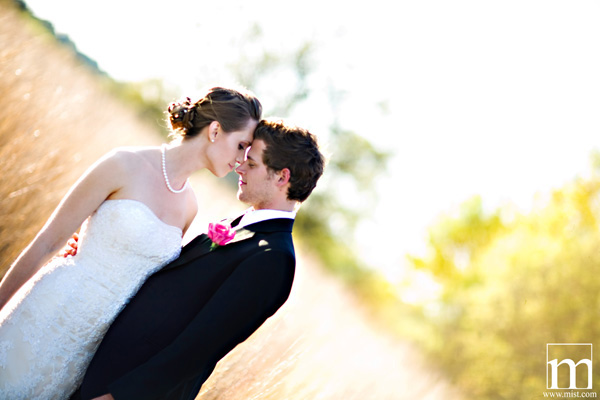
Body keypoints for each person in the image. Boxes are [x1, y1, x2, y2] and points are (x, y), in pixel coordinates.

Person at [0, 87, 262, 399]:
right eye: (241, 145)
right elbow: (46, 243)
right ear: (216, 130)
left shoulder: (189, 205)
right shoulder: (123, 164)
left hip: (91, 346)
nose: (241, 159)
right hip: (51, 310)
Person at [68, 119, 325, 400]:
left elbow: (199, 348)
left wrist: (118, 396)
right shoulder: (242, 224)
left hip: (126, 388)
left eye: (251, 164)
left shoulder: (274, 257)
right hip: (108, 364)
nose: (239, 167)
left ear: (281, 177)